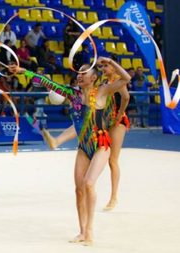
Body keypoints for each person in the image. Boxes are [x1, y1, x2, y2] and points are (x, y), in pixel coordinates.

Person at [11, 56, 130, 246]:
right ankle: (82, 231)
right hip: (84, 147)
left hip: (101, 145)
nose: (80, 75)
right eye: (79, 73)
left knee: (89, 183)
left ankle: (90, 231)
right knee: (79, 190)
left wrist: (110, 61)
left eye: (85, 72)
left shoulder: (102, 91)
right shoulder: (73, 94)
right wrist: (23, 71)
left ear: (94, 77)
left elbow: (126, 79)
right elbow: (46, 81)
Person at [42, 57, 131, 211]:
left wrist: (119, 115)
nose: (104, 68)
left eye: (106, 66)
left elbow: (126, 97)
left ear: (114, 68)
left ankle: (113, 197)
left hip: (116, 120)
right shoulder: (100, 81)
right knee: (84, 123)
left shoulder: (115, 80)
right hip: (102, 117)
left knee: (112, 160)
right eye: (102, 66)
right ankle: (57, 141)